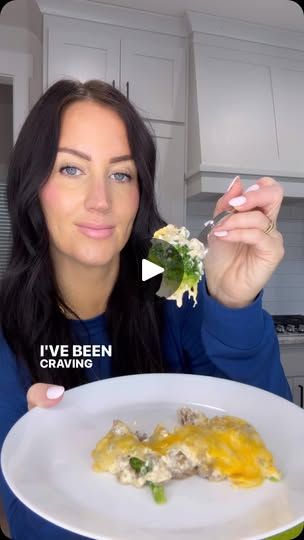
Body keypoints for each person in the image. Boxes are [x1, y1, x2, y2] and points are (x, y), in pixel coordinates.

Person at [0, 79, 292, 540]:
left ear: (140, 193)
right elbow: (23, 518)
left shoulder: (171, 285)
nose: (101, 201)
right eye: (71, 169)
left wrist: (232, 305)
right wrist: (49, 463)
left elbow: (271, 434)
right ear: (32, 185)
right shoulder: (6, 324)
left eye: (122, 174)